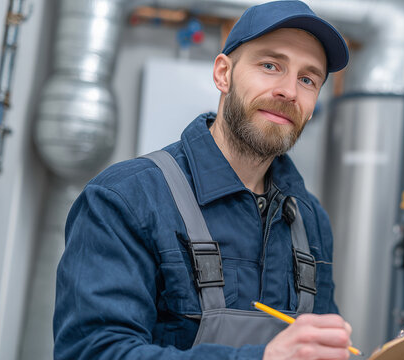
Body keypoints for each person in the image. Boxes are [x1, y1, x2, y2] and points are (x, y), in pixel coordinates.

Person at [53, 1, 353, 359]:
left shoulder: (310, 219)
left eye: (307, 79)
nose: (289, 91)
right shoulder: (125, 199)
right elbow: (92, 352)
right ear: (223, 74)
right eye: (270, 65)